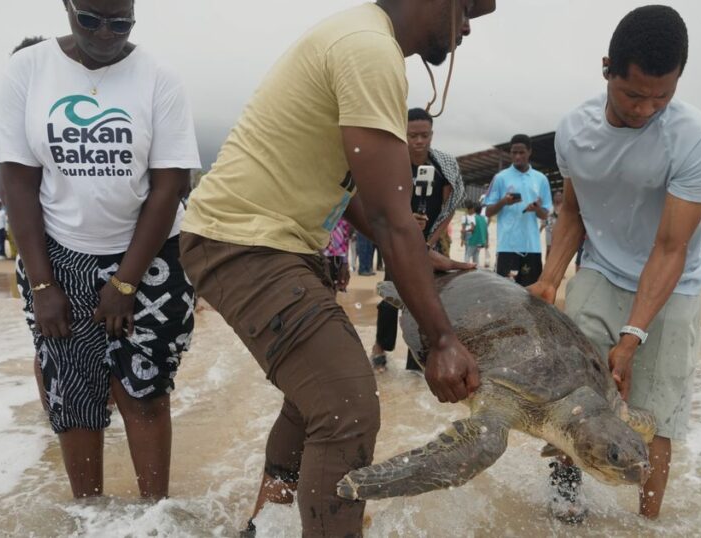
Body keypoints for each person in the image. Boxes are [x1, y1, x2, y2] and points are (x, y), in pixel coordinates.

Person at [178, 1, 492, 535]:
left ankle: (265, 524)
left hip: (270, 242)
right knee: (349, 405)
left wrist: (419, 253)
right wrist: (442, 340)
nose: (465, 28)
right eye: (466, 10)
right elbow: (391, 216)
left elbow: (359, 196)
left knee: (317, 397)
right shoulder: (370, 50)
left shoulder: (363, 38)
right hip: (244, 241)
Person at [0, 0, 201, 500]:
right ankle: (88, 518)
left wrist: (125, 283)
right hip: (56, 257)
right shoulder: (28, 69)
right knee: (73, 398)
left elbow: (169, 185)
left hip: (152, 258)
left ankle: (155, 519)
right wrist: (43, 284)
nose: (106, 33)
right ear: (67, 6)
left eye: (121, 22)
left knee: (145, 391)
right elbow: (18, 181)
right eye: (90, 19)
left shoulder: (160, 77)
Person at [530, 5, 701, 521]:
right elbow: (574, 212)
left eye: (662, 97)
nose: (646, 110)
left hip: (672, 284)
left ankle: (646, 522)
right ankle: (563, 505)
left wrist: (632, 337)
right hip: (600, 269)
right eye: (633, 94)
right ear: (606, 69)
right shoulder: (574, 130)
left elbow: (670, 247)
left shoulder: (697, 139)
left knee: (654, 415)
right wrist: (549, 281)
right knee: (576, 399)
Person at [371, 107, 465, 373]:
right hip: (398, 240)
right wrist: (406, 222)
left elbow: (449, 208)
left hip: (432, 241)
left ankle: (418, 359)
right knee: (391, 296)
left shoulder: (443, 167)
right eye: (413, 135)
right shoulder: (392, 164)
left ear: (432, 134)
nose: (419, 141)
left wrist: (430, 242)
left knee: (428, 301)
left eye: (425, 135)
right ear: (404, 134)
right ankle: (380, 346)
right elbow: (382, 202)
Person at [484, 134, 553, 286]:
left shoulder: (541, 179)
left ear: (530, 152)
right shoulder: (500, 178)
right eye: (514, 152)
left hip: (532, 247)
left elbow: (545, 214)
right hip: (507, 247)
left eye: (521, 152)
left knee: (531, 294)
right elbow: (488, 212)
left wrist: (536, 209)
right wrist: (504, 201)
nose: (517, 156)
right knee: (505, 294)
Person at [322, 217, 353, 292]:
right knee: (326, 283)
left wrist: (345, 261)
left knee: (339, 282)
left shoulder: (343, 219)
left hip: (339, 254)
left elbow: (346, 239)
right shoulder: (322, 218)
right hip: (325, 254)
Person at [542, 191, 563, 261]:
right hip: (549, 230)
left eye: (560, 195)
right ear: (553, 197)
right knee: (549, 249)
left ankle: (556, 263)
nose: (558, 197)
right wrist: (540, 229)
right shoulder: (549, 206)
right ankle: (547, 264)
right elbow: (544, 217)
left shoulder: (564, 208)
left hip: (560, 231)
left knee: (558, 249)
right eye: (556, 195)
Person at [465, 201, 488, 266]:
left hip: (474, 240)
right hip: (481, 241)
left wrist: (466, 230)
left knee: (468, 255)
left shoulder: (473, 217)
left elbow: (472, 229)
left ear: (474, 209)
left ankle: (465, 268)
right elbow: (486, 231)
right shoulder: (484, 218)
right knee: (476, 256)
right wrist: (486, 241)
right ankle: (477, 269)